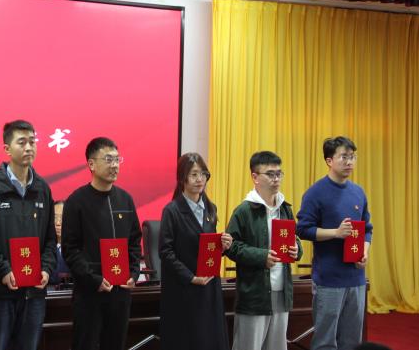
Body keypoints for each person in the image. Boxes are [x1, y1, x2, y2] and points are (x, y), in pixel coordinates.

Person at [0, 119, 57, 350]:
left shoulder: (42, 188)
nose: (29, 147)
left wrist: (46, 268)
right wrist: (3, 270)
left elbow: (50, 239)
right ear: (7, 149)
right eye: (22, 142)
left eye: (32, 142)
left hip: (34, 293)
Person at [62, 137, 142, 350]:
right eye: (108, 159)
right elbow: (70, 249)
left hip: (120, 293)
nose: (114, 165)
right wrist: (93, 279)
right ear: (91, 164)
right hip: (90, 293)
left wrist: (134, 273)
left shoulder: (125, 199)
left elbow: (134, 242)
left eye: (117, 159)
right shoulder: (76, 201)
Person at [297, 136, 373, 350]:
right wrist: (336, 233)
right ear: (329, 160)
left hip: (356, 278)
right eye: (344, 157)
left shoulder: (358, 192)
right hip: (328, 279)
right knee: (325, 341)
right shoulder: (315, 192)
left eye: (352, 157)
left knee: (352, 340)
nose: (349, 162)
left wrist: (364, 252)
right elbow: (303, 229)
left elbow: (367, 229)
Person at [225, 151, 303, 350]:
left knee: (277, 346)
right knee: (248, 346)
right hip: (254, 294)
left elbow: (294, 238)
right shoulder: (244, 210)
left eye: (279, 174)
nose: (276, 179)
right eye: (270, 174)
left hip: (281, 291)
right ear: (255, 177)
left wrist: (297, 249)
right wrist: (261, 256)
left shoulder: (285, 208)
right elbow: (231, 246)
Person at [159, 152, 231, 350]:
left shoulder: (211, 208)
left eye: (203, 174)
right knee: (189, 340)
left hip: (209, 286)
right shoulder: (172, 211)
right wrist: (191, 277)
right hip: (184, 288)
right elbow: (165, 252)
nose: (200, 179)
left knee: (210, 339)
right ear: (182, 178)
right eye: (194, 174)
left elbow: (208, 247)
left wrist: (223, 246)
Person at [48, 200, 70, 286]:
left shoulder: (77, 247)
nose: (58, 223)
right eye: (55, 218)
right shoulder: (45, 248)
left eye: (62, 218)